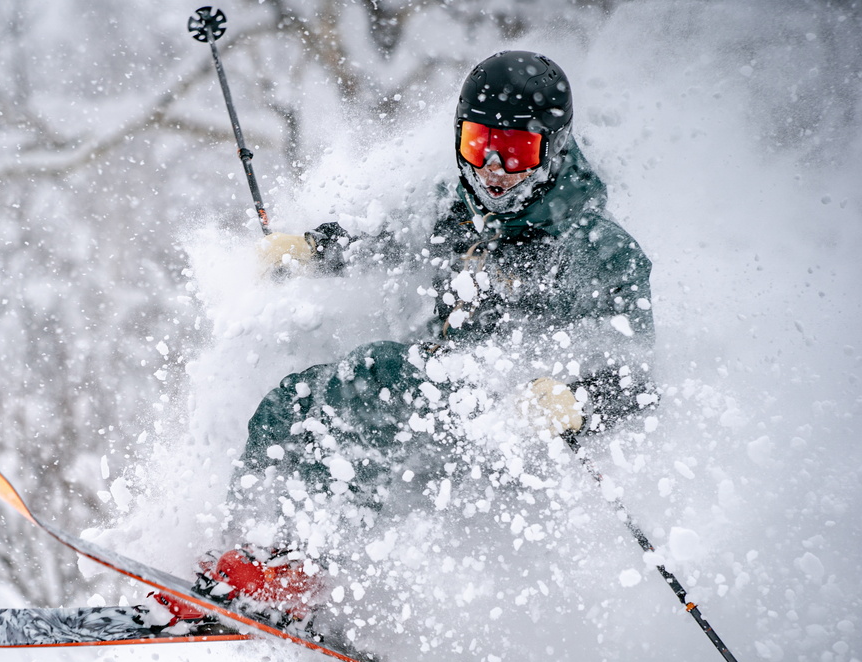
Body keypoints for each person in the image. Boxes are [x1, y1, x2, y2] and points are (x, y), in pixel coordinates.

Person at [155, 50, 655, 628]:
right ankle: (249, 552)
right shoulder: (457, 208)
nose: (492, 166)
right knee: (292, 401)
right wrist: (315, 248)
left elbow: (637, 379)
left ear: (554, 149)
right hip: (437, 403)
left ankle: (305, 569)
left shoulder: (595, 250)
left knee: (380, 378)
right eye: (477, 143)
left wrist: (576, 400)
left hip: (511, 439)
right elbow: (390, 240)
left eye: (516, 151)